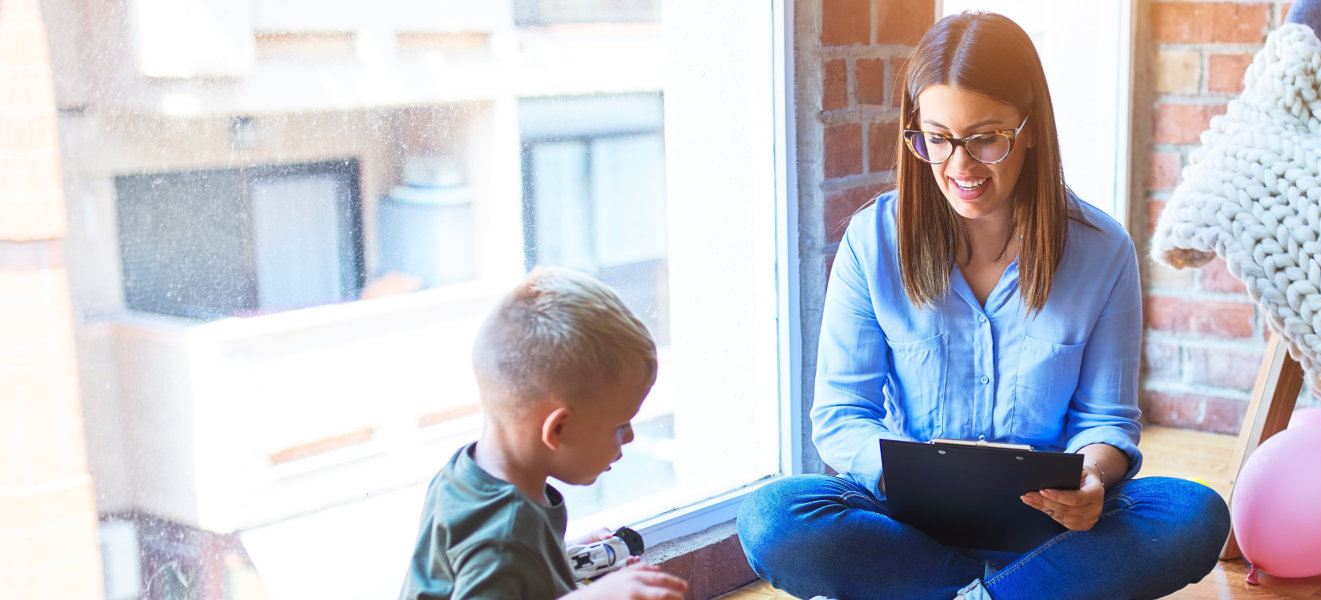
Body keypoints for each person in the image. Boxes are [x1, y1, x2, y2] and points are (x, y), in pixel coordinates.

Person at [737, 12, 1230, 600]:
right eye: (937, 138)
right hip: (907, 521)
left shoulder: (1102, 251)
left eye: (986, 137)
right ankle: (1007, 594)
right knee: (771, 518)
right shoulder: (873, 242)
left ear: (1033, 130)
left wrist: (1093, 479)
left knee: (1194, 514)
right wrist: (911, 478)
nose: (959, 165)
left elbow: (1106, 420)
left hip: (1049, 527)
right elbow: (842, 414)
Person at [401, 267, 689, 600]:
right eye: (620, 425)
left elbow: (507, 571)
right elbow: (502, 553)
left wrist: (561, 558)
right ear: (558, 429)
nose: (630, 438)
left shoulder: (464, 475)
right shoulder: (505, 534)